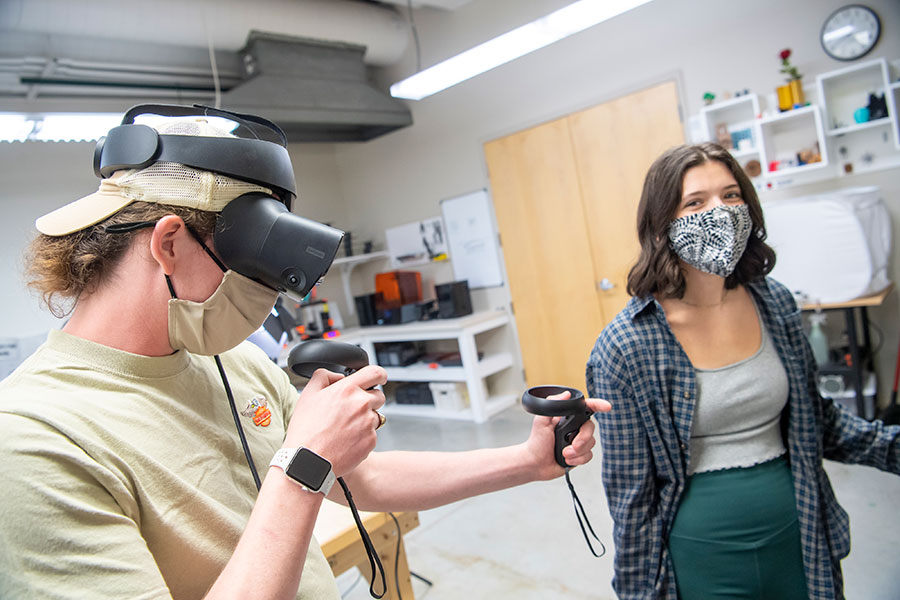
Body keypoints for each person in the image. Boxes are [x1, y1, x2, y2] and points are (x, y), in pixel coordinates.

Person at [0, 108, 609, 600]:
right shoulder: (33, 441)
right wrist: (304, 463)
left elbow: (355, 480)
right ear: (168, 244)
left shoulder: (220, 356)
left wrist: (527, 462)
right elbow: (309, 474)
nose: (262, 306)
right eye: (249, 274)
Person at [586, 142, 900, 600]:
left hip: (801, 534)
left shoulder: (774, 301)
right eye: (695, 202)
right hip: (701, 556)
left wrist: (891, 448)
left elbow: (819, 421)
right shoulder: (626, 346)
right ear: (660, 225)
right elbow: (630, 497)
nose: (720, 212)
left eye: (731, 196)